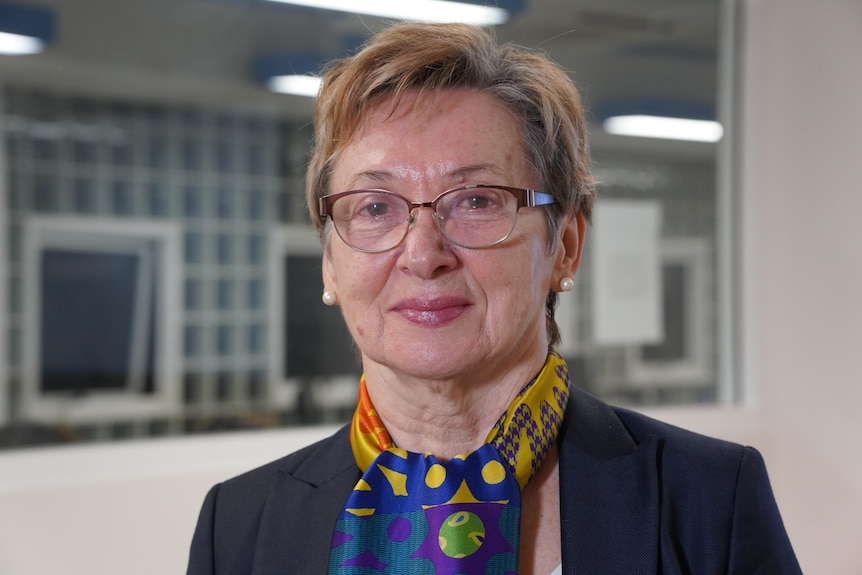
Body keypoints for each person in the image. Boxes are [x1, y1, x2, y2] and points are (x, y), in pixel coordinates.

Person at [187, 22, 801, 575]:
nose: (423, 254)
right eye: (375, 207)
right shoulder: (239, 526)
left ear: (565, 246)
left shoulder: (708, 500)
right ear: (329, 261)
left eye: (477, 200)